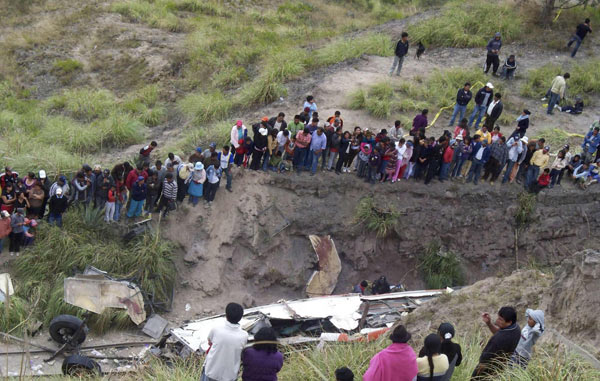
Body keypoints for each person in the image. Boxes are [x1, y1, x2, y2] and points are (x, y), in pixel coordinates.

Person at [202, 302, 248, 381]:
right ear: (240, 318)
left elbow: (209, 342)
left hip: (211, 372)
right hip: (230, 376)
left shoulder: (216, 330)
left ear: (226, 315)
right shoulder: (244, 335)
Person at [471, 306, 521, 380]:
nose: (497, 321)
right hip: (499, 370)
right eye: (498, 317)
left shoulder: (499, 338)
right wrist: (489, 323)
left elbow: (484, 359)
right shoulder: (516, 328)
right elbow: (499, 332)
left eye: (501, 319)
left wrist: (476, 374)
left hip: (486, 370)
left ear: (509, 322)